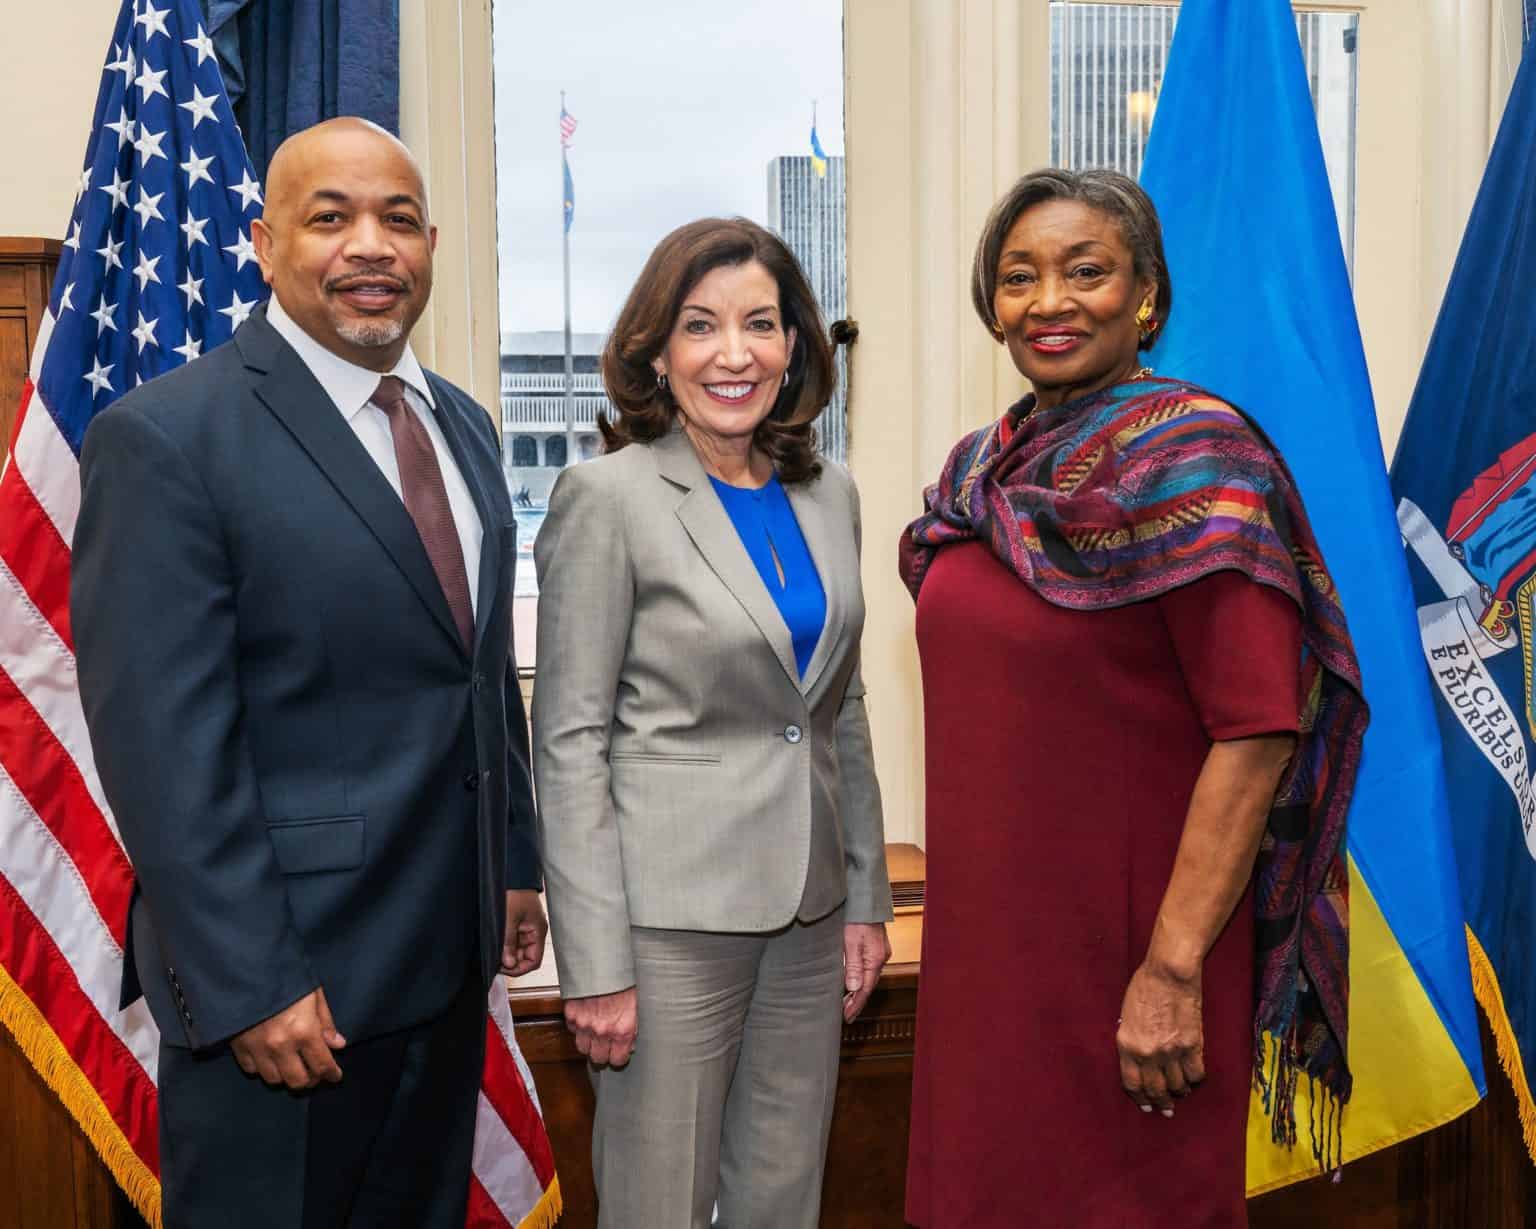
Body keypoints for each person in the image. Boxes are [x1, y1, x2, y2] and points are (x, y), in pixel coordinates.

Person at [70, 117, 547, 1229]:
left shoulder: (465, 427)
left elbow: (480, 679)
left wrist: (513, 860)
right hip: (289, 1003)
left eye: (396, 219)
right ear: (266, 240)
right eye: (330, 218)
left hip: (442, 974)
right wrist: (252, 982)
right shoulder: (167, 436)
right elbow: (164, 749)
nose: (369, 245)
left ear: (431, 242)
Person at [899, 169, 1368, 1228]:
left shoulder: (1205, 467)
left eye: (1086, 270)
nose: (1049, 300)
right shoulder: (981, 474)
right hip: (991, 962)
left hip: (1135, 962)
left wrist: (1170, 968)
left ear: (1147, 295)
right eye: (1019, 276)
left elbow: (1255, 734)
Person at [532, 217, 894, 1228]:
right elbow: (568, 740)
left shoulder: (831, 496)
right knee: (658, 1205)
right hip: (666, 926)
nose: (734, 353)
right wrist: (594, 960)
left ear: (796, 347)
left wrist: (865, 895)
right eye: (701, 326)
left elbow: (840, 711)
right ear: (656, 349)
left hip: (813, 915)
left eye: (761, 325)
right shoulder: (607, 498)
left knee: (785, 1195)